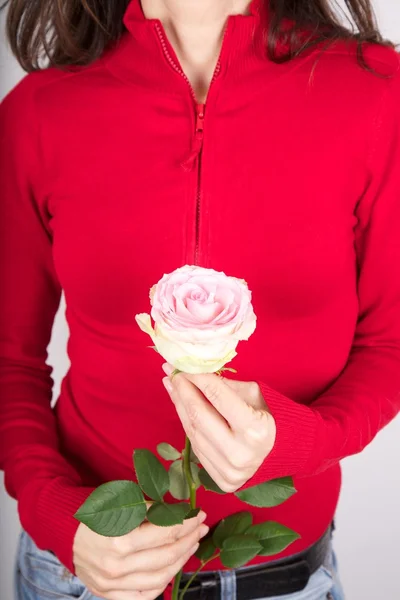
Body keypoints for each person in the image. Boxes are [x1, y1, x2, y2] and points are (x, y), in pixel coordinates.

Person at [1, 0, 400, 598]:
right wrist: (57, 513)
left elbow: (390, 341)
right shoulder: (39, 111)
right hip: (77, 577)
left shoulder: (376, 94)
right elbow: (10, 360)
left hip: (286, 581)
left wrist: (299, 440)